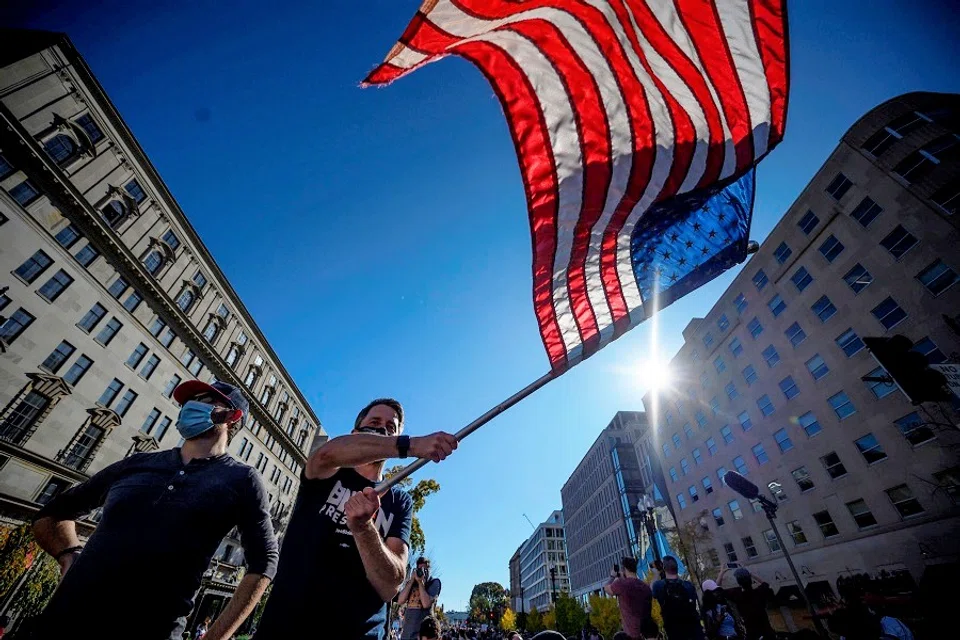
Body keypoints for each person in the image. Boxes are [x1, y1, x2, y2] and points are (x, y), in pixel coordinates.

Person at [29, 379, 277, 640]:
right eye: (188, 402)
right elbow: (54, 513)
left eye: (205, 402)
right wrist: (69, 553)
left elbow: (265, 561)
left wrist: (215, 637)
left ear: (233, 416)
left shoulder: (242, 479)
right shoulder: (137, 463)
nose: (191, 407)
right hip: (62, 624)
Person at [253, 398, 458, 638]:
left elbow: (390, 585)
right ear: (355, 432)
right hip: (286, 629)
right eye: (374, 422)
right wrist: (409, 445)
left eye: (391, 429)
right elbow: (327, 454)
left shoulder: (399, 501)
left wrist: (364, 529)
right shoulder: (325, 473)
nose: (383, 431)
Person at [651, 556, 705, 640]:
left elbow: (651, 590)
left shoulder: (659, 586)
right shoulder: (688, 585)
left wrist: (656, 574)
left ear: (663, 568)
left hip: (675, 631)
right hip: (694, 630)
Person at [604, 556, 653, 640]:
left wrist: (612, 576)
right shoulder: (646, 587)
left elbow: (607, 589)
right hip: (647, 634)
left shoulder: (621, 584)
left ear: (624, 569)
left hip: (631, 635)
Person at [720, 568, 774, 640]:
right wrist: (750, 573)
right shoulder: (758, 593)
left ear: (739, 582)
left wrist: (721, 573)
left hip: (752, 633)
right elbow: (765, 584)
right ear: (750, 580)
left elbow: (717, 589)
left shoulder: (737, 595)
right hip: (767, 632)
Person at [400, 556, 443, 640]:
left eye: (425, 570)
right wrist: (411, 580)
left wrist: (420, 583)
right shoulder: (411, 584)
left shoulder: (434, 583)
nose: (423, 572)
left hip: (422, 634)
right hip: (406, 634)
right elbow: (401, 600)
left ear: (429, 570)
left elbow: (426, 603)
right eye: (420, 569)